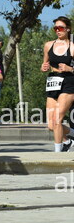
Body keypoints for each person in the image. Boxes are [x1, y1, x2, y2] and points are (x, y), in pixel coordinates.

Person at [41, 16, 74, 152]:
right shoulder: (48, 45)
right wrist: (44, 67)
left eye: (60, 28)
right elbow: (45, 63)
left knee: (57, 119)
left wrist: (70, 68)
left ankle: (57, 153)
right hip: (53, 81)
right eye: (55, 28)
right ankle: (69, 139)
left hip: (68, 82)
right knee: (51, 124)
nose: (57, 30)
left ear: (68, 29)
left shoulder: (72, 46)